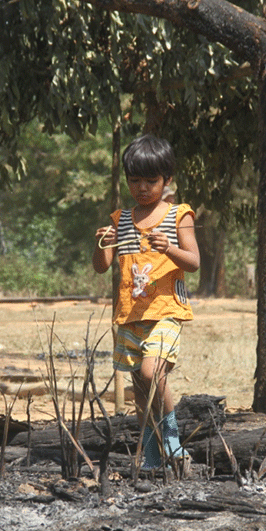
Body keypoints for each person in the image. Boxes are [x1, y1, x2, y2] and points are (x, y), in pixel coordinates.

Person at [92, 134, 200, 470]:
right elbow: (102, 267)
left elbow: (194, 261)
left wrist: (169, 248)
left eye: (151, 181)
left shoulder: (179, 214)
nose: (142, 188)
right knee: (140, 387)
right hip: (130, 317)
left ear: (167, 180)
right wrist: (101, 244)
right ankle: (151, 455)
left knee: (152, 372)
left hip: (166, 311)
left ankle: (172, 441)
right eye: (135, 180)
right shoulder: (120, 220)